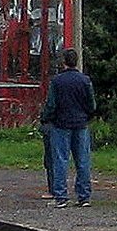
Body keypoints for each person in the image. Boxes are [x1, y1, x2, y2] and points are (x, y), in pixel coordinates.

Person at [40, 48, 96, 207]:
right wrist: (87, 116)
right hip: (80, 124)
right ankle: (84, 196)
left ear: (63, 62)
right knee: (83, 161)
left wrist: (45, 118)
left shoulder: (57, 82)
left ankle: (61, 196)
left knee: (60, 160)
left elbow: (51, 105)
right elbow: (91, 104)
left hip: (61, 124)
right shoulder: (85, 80)